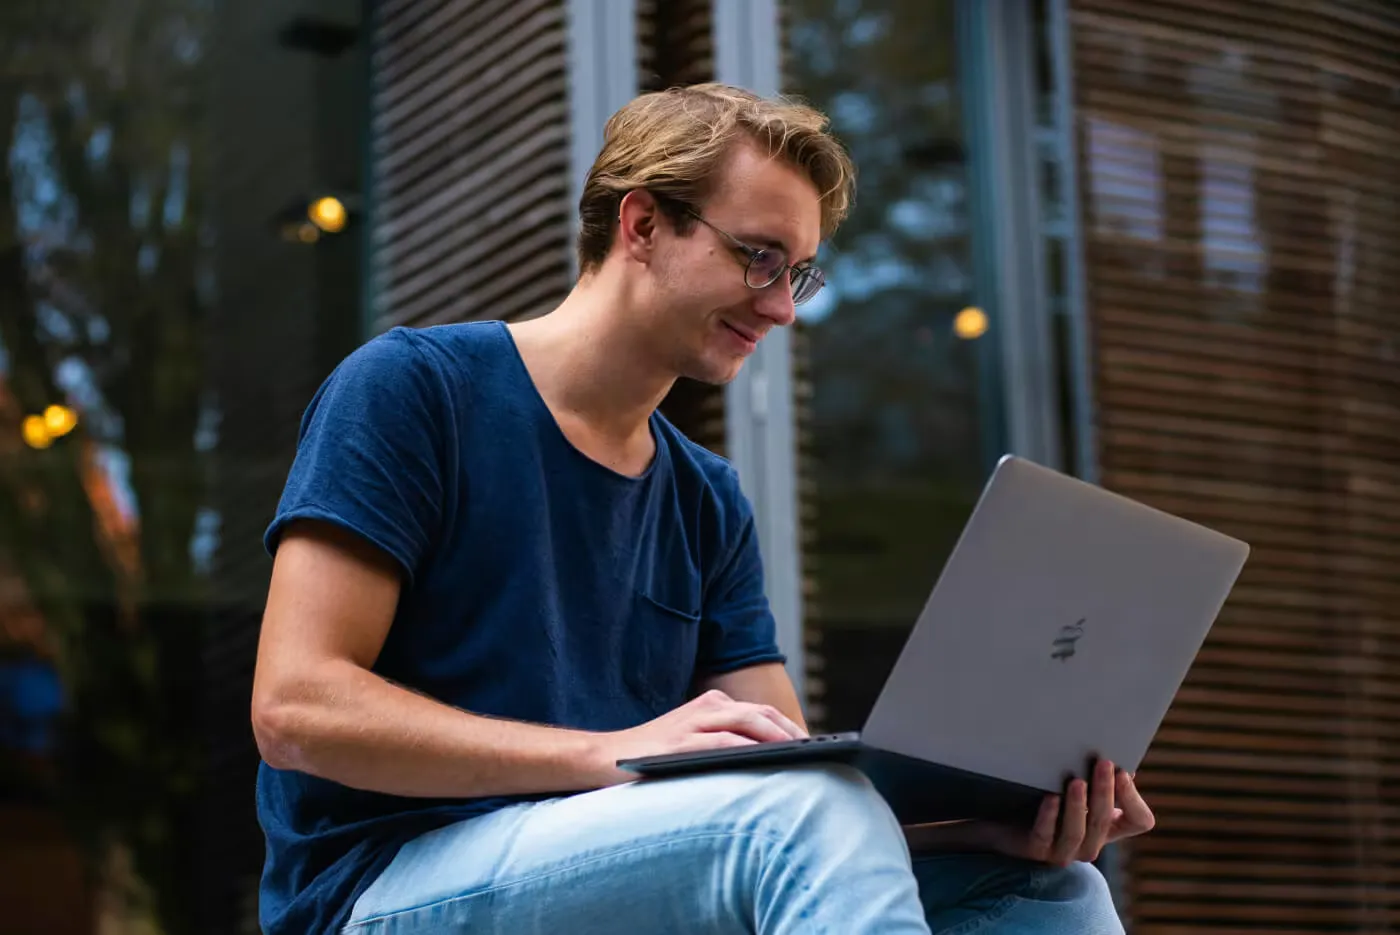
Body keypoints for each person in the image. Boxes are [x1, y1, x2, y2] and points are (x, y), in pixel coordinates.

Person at [250, 82, 1154, 935]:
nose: (780, 308)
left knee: (1048, 890)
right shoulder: (415, 391)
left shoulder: (705, 497)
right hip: (382, 886)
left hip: (613, 871)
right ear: (642, 223)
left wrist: (975, 829)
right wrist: (611, 753)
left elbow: (794, 790)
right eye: (759, 257)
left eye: (799, 274)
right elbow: (295, 709)